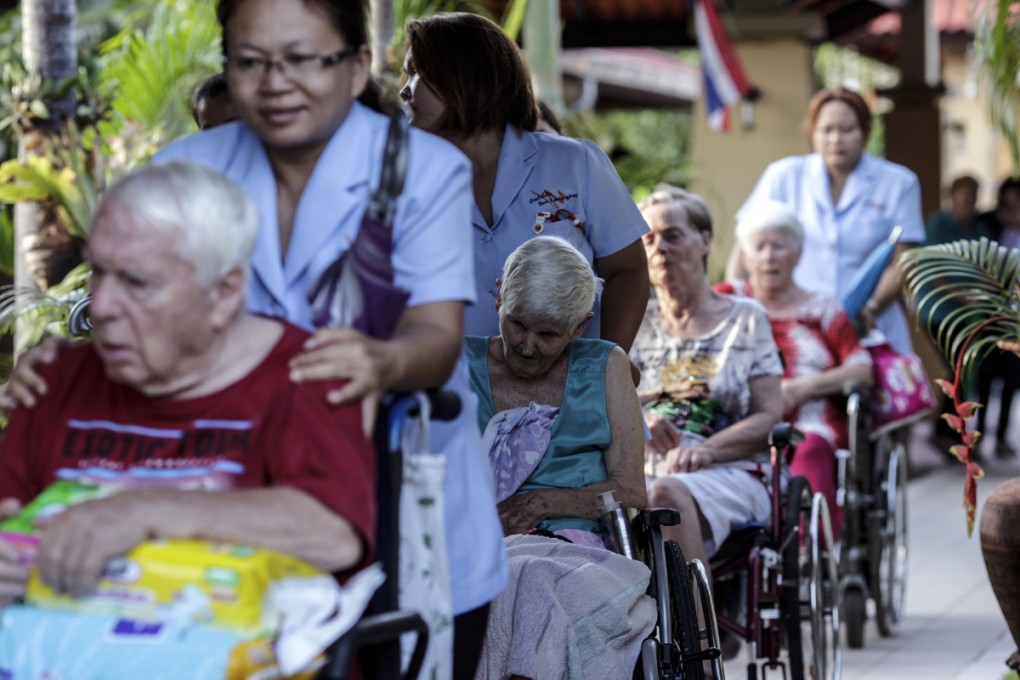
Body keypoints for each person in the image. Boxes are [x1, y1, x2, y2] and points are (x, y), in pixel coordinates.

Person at [3, 0, 508, 676]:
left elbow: (436, 337)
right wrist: (79, 358)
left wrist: (378, 359)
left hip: (394, 482)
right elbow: (146, 288)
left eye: (301, 58)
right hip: (206, 512)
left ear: (358, 67)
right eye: (250, 60)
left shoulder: (421, 170)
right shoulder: (188, 163)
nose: (274, 81)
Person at [0, 161, 374, 607]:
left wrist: (146, 510)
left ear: (223, 294)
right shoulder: (54, 380)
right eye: (97, 272)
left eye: (137, 282)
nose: (100, 307)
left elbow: (333, 535)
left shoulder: (306, 374)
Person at [400, 12, 649, 350]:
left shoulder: (575, 163)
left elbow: (628, 271)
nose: (404, 90)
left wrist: (605, 366)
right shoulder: (404, 185)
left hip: (568, 395)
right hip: (454, 394)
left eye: (416, 72)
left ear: (465, 74)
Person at [464, 236, 653, 679]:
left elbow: (631, 494)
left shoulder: (607, 366)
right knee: (517, 579)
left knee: (529, 579)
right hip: (476, 546)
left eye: (549, 335)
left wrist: (542, 503)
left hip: (579, 553)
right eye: (517, 325)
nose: (528, 346)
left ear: (580, 326)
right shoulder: (456, 364)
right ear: (498, 297)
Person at [631, 185, 783, 576]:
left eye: (672, 235)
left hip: (727, 472)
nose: (659, 248)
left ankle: (700, 636)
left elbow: (770, 413)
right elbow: (601, 402)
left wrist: (709, 451)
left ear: (705, 241)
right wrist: (640, 420)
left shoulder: (746, 318)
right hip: (640, 474)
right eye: (648, 239)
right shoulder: (633, 324)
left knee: (664, 494)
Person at [728, 87, 925, 355]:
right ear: (812, 133)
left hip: (870, 324)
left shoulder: (899, 183)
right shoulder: (783, 176)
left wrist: (872, 307)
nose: (836, 139)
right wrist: (738, 308)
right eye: (826, 129)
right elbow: (745, 247)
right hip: (798, 327)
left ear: (866, 131)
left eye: (847, 129)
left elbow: (904, 259)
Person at [716, 199, 873, 532]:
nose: (769, 256)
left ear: (799, 253)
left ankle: (810, 547)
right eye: (759, 247)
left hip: (809, 423)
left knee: (810, 447)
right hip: (736, 419)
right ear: (745, 255)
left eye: (779, 246)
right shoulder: (727, 300)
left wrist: (803, 388)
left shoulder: (823, 308)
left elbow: (862, 368)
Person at [974, 177, 1020, 457]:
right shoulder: (991, 224)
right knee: (986, 374)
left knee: (1013, 379)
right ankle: (977, 434)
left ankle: (1002, 435)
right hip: (992, 314)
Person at [924, 175, 991, 246]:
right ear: (953, 197)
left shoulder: (980, 227)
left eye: (972, 197)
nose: (966, 204)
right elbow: (928, 252)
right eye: (964, 200)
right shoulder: (937, 223)